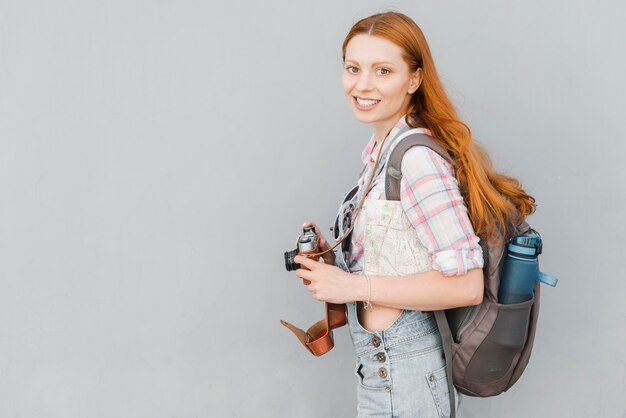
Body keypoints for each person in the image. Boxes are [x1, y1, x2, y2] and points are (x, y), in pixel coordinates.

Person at [292, 11, 535, 418]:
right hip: (384, 373)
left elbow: (466, 287)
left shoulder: (417, 159)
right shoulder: (380, 150)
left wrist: (350, 288)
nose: (362, 84)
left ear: (414, 80)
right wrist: (334, 262)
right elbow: (398, 257)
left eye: (382, 70)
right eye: (353, 68)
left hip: (405, 378)